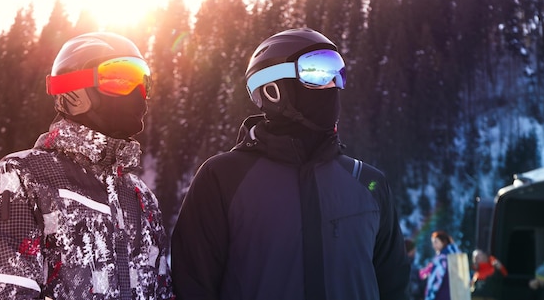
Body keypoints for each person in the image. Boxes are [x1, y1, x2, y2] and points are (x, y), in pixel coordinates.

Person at [171, 27, 410, 300]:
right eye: (317, 71)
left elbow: (394, 286)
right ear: (273, 87)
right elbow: (194, 285)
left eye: (337, 73)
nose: (332, 85)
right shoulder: (223, 179)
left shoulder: (369, 183)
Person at [0, 32, 174, 300]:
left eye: (143, 83)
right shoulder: (23, 177)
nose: (138, 94)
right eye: (120, 79)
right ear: (76, 90)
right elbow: (6, 293)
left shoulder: (141, 197)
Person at [420, 230, 460, 300]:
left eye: (436, 242)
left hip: (441, 294)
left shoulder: (442, 259)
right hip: (454, 294)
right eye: (433, 243)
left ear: (443, 242)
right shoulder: (456, 255)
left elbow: (437, 279)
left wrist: (430, 296)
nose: (433, 246)